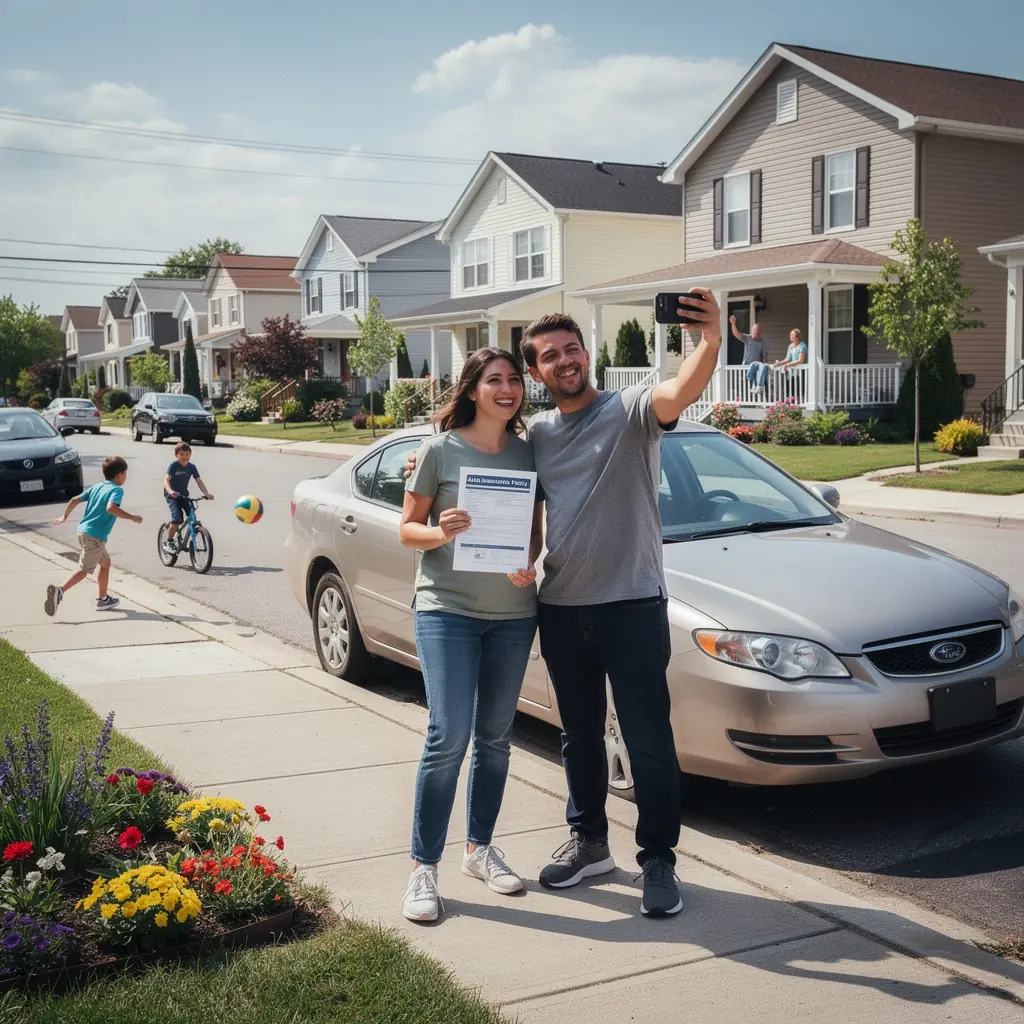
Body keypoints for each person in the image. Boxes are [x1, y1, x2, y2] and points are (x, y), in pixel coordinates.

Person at [406, 291, 722, 917]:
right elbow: (495, 489)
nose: (563, 361)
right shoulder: (537, 437)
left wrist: (711, 339)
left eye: (571, 349)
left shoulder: (631, 410)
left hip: (631, 603)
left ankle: (658, 859)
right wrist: (437, 476)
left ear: (586, 354)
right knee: (577, 737)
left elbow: (682, 388)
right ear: (539, 373)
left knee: (647, 739)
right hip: (559, 606)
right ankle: (590, 841)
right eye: (548, 357)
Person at [399, 346, 544, 924]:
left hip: (513, 613)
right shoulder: (438, 450)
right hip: (447, 609)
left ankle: (479, 850)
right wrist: (439, 532)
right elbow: (408, 530)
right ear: (473, 388)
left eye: (513, 379)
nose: (506, 389)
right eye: (494, 380)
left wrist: (528, 563)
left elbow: (532, 534)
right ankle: (422, 868)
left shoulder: (529, 452)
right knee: (447, 735)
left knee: (495, 739)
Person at [45, 455, 142, 616]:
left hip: (83, 531)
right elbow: (111, 508)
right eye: (125, 473)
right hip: (95, 536)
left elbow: (75, 499)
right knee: (84, 570)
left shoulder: (98, 486)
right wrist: (132, 517)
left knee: (105, 563)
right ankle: (59, 591)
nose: (126, 476)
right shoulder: (116, 490)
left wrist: (65, 516)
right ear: (119, 474)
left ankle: (103, 599)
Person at [163, 442, 214, 553]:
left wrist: (206, 493)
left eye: (187, 454)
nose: (184, 457)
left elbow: (199, 481)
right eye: (181, 454)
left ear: (190, 454)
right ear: (176, 455)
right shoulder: (174, 466)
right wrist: (170, 491)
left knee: (192, 516)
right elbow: (166, 480)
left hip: (184, 495)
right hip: (172, 495)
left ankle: (188, 537)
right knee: (177, 519)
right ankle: (169, 540)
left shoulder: (191, 467)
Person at [730, 318, 768, 393]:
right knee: (745, 388)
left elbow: (764, 357)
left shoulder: (762, 342)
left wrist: (764, 367)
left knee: (756, 389)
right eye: (755, 330)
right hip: (746, 366)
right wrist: (733, 324)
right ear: (752, 330)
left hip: (756, 369)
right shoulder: (747, 338)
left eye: (758, 330)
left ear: (761, 332)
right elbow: (736, 334)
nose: (756, 331)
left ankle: (758, 402)